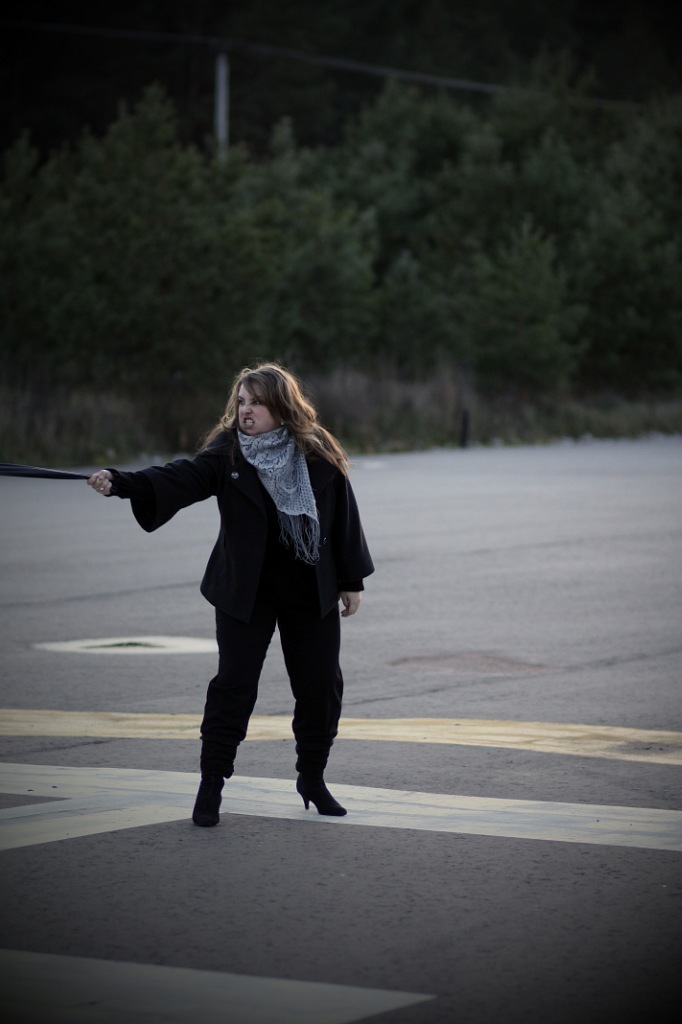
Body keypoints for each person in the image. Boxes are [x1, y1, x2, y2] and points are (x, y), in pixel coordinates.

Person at [87, 363, 374, 827]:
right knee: (234, 686)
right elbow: (181, 477)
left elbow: (343, 513)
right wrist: (121, 483)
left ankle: (312, 778)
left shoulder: (316, 449)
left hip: (309, 588)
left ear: (281, 406)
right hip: (246, 588)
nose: (246, 411)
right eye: (241, 401)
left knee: (321, 686)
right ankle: (211, 783)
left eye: (256, 402)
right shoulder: (229, 451)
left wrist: (351, 579)